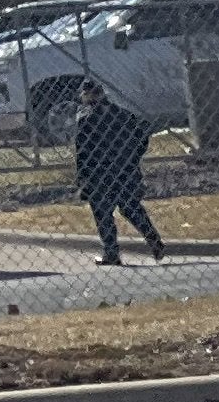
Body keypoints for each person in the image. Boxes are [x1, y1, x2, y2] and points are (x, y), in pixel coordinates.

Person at [69, 78, 167, 264]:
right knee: (131, 207)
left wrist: (82, 177)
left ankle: (111, 252)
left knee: (103, 213)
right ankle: (154, 241)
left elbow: (83, 152)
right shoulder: (123, 115)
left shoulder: (86, 120)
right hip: (125, 170)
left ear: (87, 95)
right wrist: (133, 158)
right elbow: (142, 136)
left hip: (100, 174)